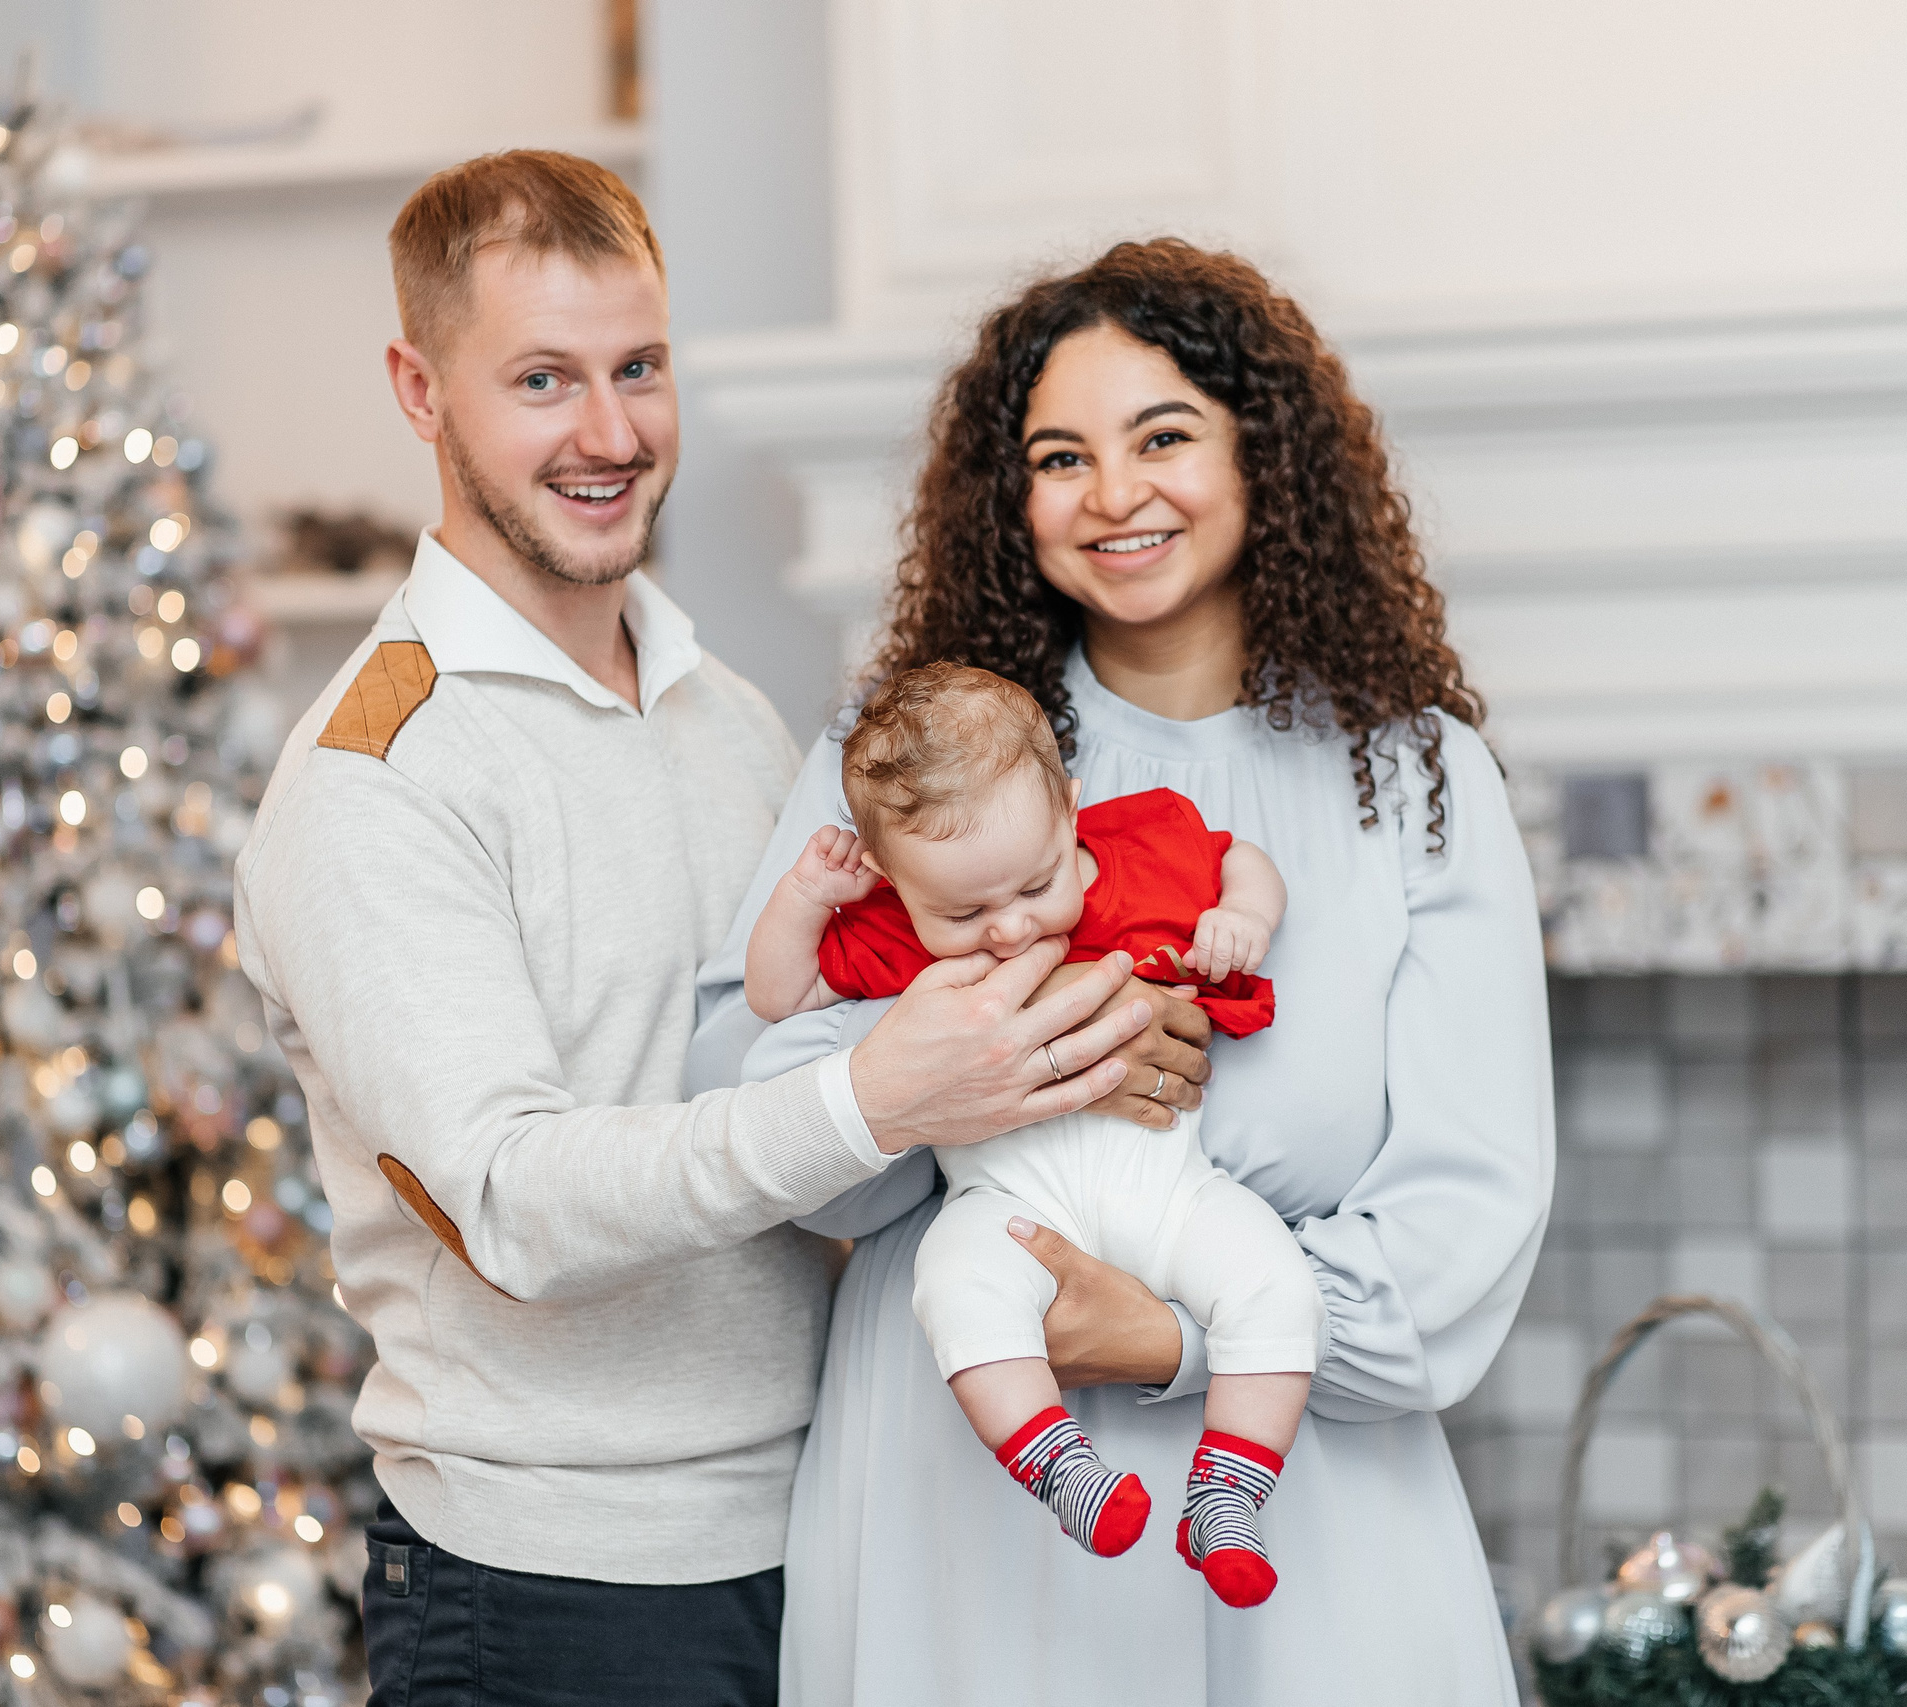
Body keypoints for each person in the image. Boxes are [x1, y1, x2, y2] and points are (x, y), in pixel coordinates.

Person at [229, 152, 1208, 1707]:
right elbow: (514, 1202)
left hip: (816, 1526)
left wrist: (1089, 1037)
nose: (611, 434)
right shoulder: (378, 779)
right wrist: (878, 1094)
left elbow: (868, 1042)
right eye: (543, 379)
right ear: (420, 390)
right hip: (553, 1588)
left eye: (641, 368)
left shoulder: (732, 715)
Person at [691, 239, 1554, 1704]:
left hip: (1309, 1502)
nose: (1113, 493)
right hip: (967, 1496)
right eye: (1059, 455)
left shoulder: (1411, 779)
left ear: (1263, 458)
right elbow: (750, 1122)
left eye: (1164, 435)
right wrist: (982, 1067)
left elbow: (1465, 1220)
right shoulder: (911, 762)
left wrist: (1166, 1335)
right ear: (1008, 499)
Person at [744, 663, 1317, 1604]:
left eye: (1038, 884)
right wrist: (807, 896)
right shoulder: (897, 927)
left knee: (1278, 1286)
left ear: (1072, 808)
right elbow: (779, 992)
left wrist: (1242, 916)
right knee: (956, 1284)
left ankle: (1228, 1493)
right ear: (894, 878)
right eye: (964, 913)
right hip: (1007, 1204)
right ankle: (1056, 1463)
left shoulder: (1145, 849)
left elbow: (1240, 854)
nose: (1009, 928)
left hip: (1173, 1192)